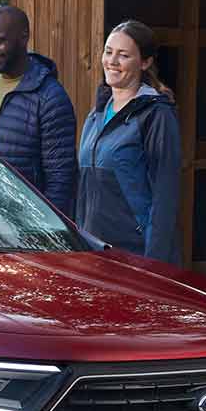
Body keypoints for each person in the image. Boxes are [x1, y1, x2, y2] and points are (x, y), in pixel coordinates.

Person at [75, 20, 183, 266]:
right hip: (95, 254)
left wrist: (155, 264)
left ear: (145, 63)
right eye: (108, 52)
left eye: (123, 55)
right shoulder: (96, 115)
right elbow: (83, 191)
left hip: (136, 256)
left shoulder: (157, 115)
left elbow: (165, 196)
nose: (112, 61)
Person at [0, 5, 78, 210]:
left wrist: (50, 231)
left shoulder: (50, 96)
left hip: (24, 222)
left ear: (24, 38)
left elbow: (61, 178)